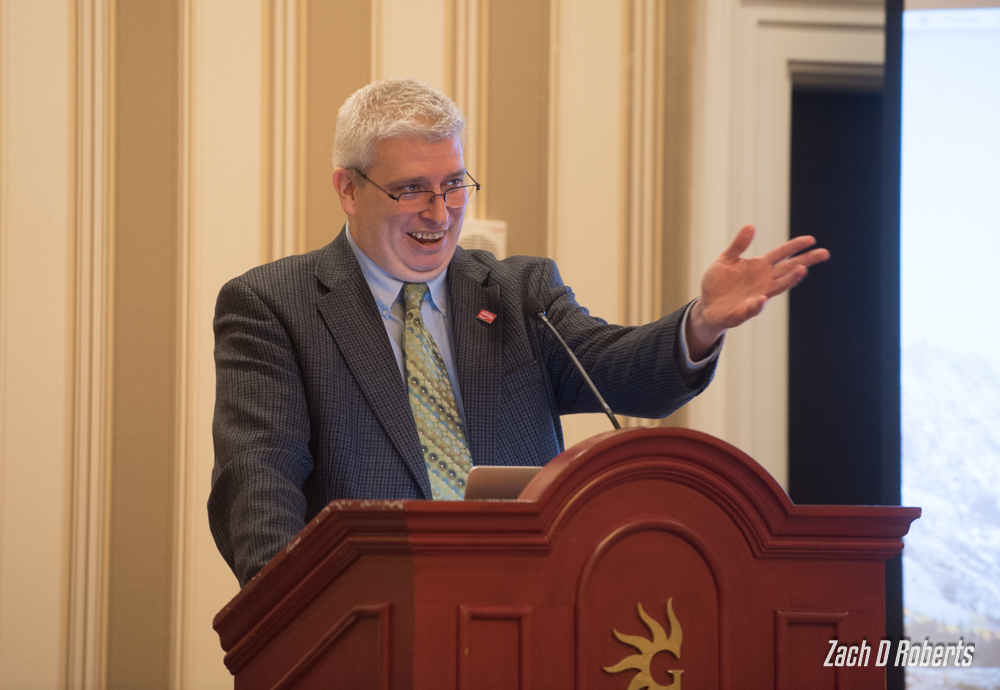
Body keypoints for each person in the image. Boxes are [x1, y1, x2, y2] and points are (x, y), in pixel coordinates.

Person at [209, 78, 829, 587]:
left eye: (454, 184)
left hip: (527, 619)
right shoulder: (273, 306)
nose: (439, 211)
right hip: (362, 625)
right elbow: (259, 483)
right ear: (348, 189)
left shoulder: (518, 293)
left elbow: (618, 372)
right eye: (411, 190)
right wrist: (288, 614)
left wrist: (702, 322)